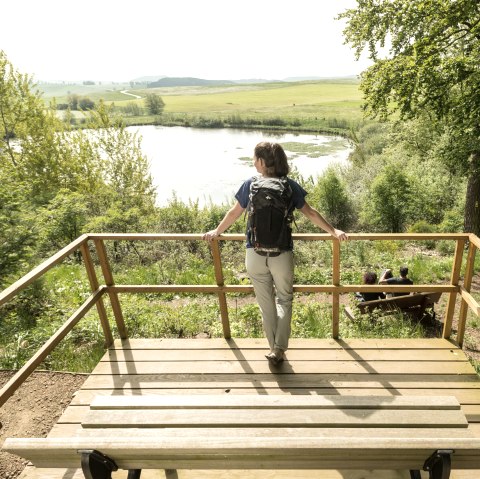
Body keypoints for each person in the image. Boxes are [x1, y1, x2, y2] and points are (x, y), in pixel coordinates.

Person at [203, 141, 348, 365]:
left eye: (254, 158)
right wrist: (333, 230)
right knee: (285, 299)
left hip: (255, 252)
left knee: (265, 303)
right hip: (282, 253)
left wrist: (216, 231)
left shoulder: (249, 185)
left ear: (261, 162)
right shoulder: (290, 186)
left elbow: (234, 213)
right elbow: (310, 212)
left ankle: (273, 348)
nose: (253, 162)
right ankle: (279, 349)